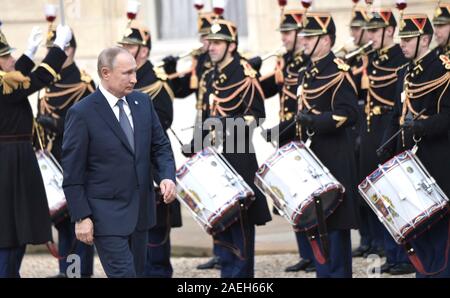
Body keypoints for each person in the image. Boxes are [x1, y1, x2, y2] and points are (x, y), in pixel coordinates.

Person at [61, 46, 177, 278]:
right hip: (106, 216)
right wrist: (81, 217)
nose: (134, 79)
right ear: (106, 73)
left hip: (141, 213)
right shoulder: (82, 113)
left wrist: (166, 176)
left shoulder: (143, 102)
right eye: (127, 73)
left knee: (137, 273)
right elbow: (73, 172)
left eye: (134, 72)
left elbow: (160, 146)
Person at [188, 17, 272, 278]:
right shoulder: (212, 74)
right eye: (210, 42)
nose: (210, 47)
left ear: (231, 46)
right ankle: (227, 274)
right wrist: (196, 143)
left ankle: (242, 277)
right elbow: (207, 116)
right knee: (221, 222)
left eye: (217, 43)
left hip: (238, 155)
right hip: (215, 160)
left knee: (242, 223)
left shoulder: (243, 74)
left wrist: (225, 126)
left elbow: (257, 115)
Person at [380, 13, 450, 278]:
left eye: (408, 38)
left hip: (437, 163)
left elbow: (447, 116)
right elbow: (396, 115)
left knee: (440, 240)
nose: (402, 43)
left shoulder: (442, 70)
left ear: (425, 39)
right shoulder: (405, 73)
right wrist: (387, 147)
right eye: (402, 38)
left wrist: (421, 127)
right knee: (418, 234)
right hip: (409, 166)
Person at [0, 23, 72, 278]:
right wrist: (59, 49)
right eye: (6, 56)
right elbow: (36, 80)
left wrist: (29, 53)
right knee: (9, 230)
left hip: (15, 156)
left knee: (18, 227)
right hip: (11, 160)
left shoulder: (5, 82)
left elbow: (16, 78)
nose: (12, 59)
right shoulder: (4, 86)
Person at [296, 12, 359, 278]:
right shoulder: (307, 73)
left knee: (333, 230)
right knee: (316, 227)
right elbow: (302, 114)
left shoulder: (338, 72)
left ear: (326, 40)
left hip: (334, 160)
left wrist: (315, 122)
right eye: (304, 37)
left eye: (310, 37)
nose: (304, 42)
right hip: (313, 161)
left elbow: (348, 113)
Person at [118, 21, 181, 278]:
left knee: (155, 236)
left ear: (143, 51)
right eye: (123, 46)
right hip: (124, 171)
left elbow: (164, 123)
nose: (125, 50)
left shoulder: (156, 84)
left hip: (151, 168)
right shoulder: (119, 81)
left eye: (130, 46)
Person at [162, 10, 222, 271]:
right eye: (203, 38)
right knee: (209, 194)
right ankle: (219, 247)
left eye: (208, 38)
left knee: (221, 193)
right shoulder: (201, 61)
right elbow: (183, 90)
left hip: (222, 132)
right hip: (204, 126)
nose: (204, 43)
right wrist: (171, 70)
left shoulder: (220, 63)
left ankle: (226, 249)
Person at [36, 24, 96, 279]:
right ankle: (66, 272)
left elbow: (91, 126)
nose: (54, 55)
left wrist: (58, 125)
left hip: (77, 162)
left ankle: (79, 273)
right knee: (61, 222)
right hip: (52, 160)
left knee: (78, 221)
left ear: (70, 50)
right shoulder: (46, 84)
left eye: (58, 49)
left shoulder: (84, 85)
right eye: (51, 50)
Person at [258, 9, 315, 273]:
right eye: (282, 32)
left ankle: (317, 253)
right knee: (291, 197)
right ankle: (305, 253)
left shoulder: (308, 62)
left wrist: (281, 128)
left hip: (304, 136)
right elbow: (268, 90)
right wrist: (254, 74)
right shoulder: (287, 62)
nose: (284, 37)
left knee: (309, 196)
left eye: (288, 33)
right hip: (287, 136)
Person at [360, 8, 415, 275]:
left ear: (389, 31)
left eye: (374, 30)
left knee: (395, 196)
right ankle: (390, 254)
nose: (369, 35)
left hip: (389, 129)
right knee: (379, 198)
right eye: (368, 30)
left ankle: (402, 256)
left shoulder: (398, 57)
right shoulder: (371, 58)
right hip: (373, 134)